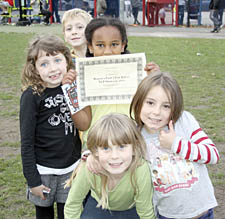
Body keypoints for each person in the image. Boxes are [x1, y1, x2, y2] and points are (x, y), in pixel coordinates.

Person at [130, 71, 219, 218]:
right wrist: (89, 156)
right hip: (168, 215)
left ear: (175, 108)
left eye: (166, 106)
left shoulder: (184, 121)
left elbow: (212, 155)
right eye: (150, 103)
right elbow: (111, 148)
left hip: (202, 213)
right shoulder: (134, 136)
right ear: (138, 101)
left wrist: (176, 144)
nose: (156, 112)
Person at [62, 17, 160, 149]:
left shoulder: (139, 74)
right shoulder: (83, 77)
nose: (107, 51)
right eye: (100, 45)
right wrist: (70, 91)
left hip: (131, 143)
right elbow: (83, 124)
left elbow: (152, 112)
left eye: (114, 44)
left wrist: (155, 81)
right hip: (96, 145)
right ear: (90, 47)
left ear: (123, 45)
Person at [20, 34, 82, 219]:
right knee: (44, 214)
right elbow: (27, 141)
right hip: (43, 171)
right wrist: (33, 180)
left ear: (67, 60)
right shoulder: (31, 96)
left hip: (71, 169)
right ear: (35, 68)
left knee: (68, 213)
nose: (53, 68)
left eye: (57, 60)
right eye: (44, 63)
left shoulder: (73, 87)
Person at [64, 113, 156, 219]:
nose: (114, 156)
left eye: (122, 147)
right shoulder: (90, 167)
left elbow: (145, 212)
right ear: (95, 151)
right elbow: (72, 205)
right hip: (99, 205)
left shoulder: (140, 169)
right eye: (106, 148)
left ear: (134, 147)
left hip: (130, 209)